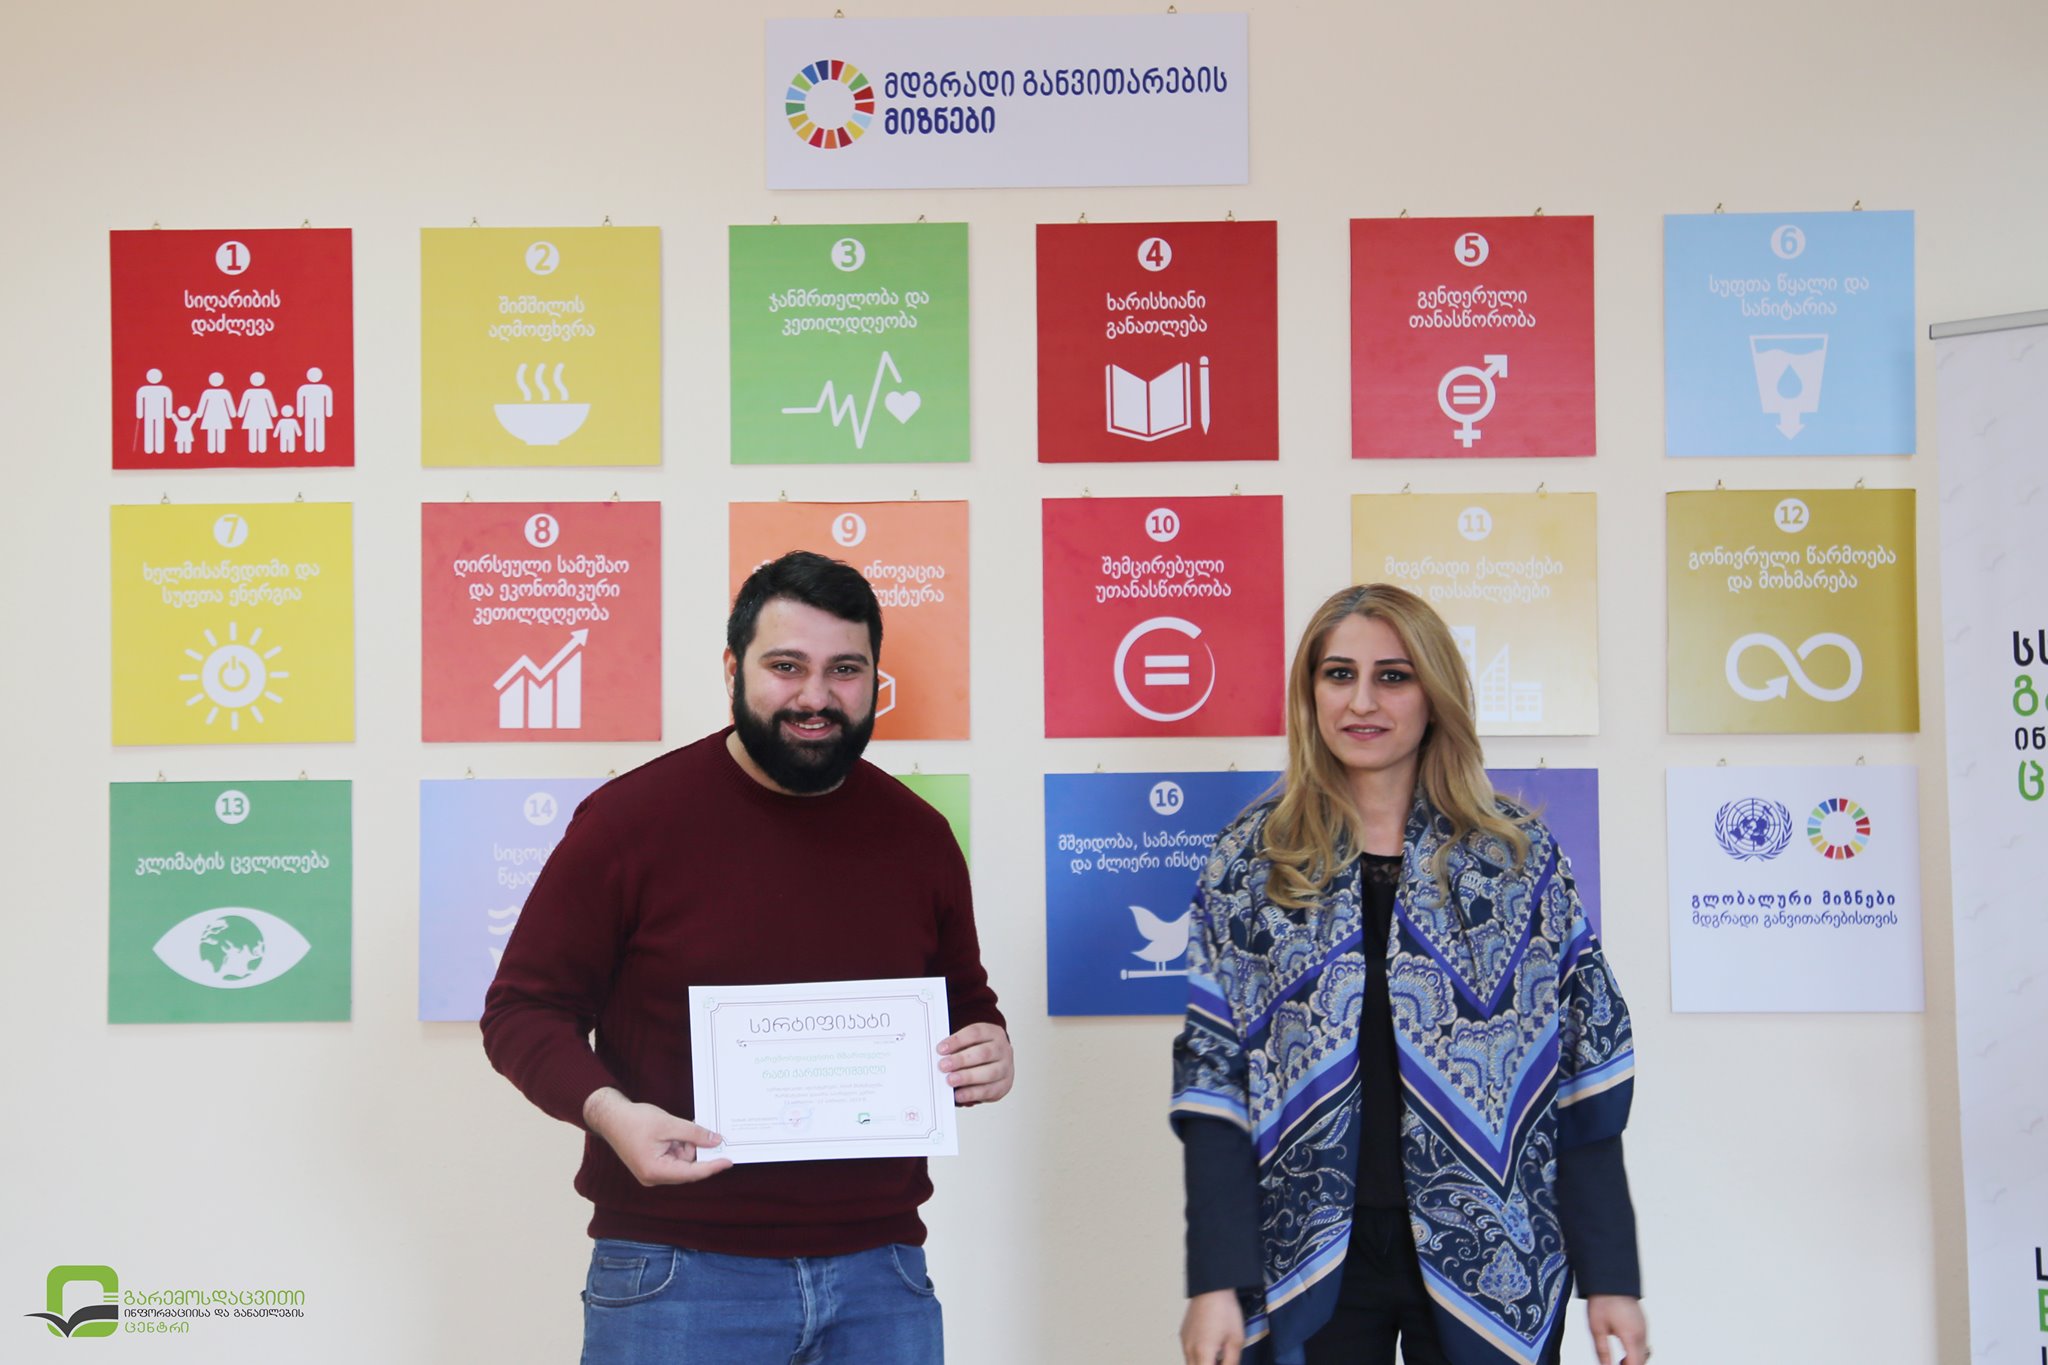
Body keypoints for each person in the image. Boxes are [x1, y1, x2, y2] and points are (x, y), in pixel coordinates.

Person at [482, 551, 1013, 1365]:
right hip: (676, 1271)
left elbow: (965, 1002)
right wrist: (611, 1113)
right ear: (733, 670)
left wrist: (988, 1047)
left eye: (844, 669)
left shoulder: (920, 836)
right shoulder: (630, 822)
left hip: (881, 1274)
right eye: (786, 666)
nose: (816, 696)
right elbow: (523, 1010)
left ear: (875, 680)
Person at [1172, 584, 1647, 1365]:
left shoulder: (1515, 863)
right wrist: (1215, 1278)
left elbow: (1582, 1077)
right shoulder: (1251, 864)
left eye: (1392, 676)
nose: (1362, 700)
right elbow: (1215, 1086)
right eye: (1339, 674)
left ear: (1435, 694)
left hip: (1494, 1255)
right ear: (1310, 693)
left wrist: (1612, 1277)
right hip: (1303, 1255)